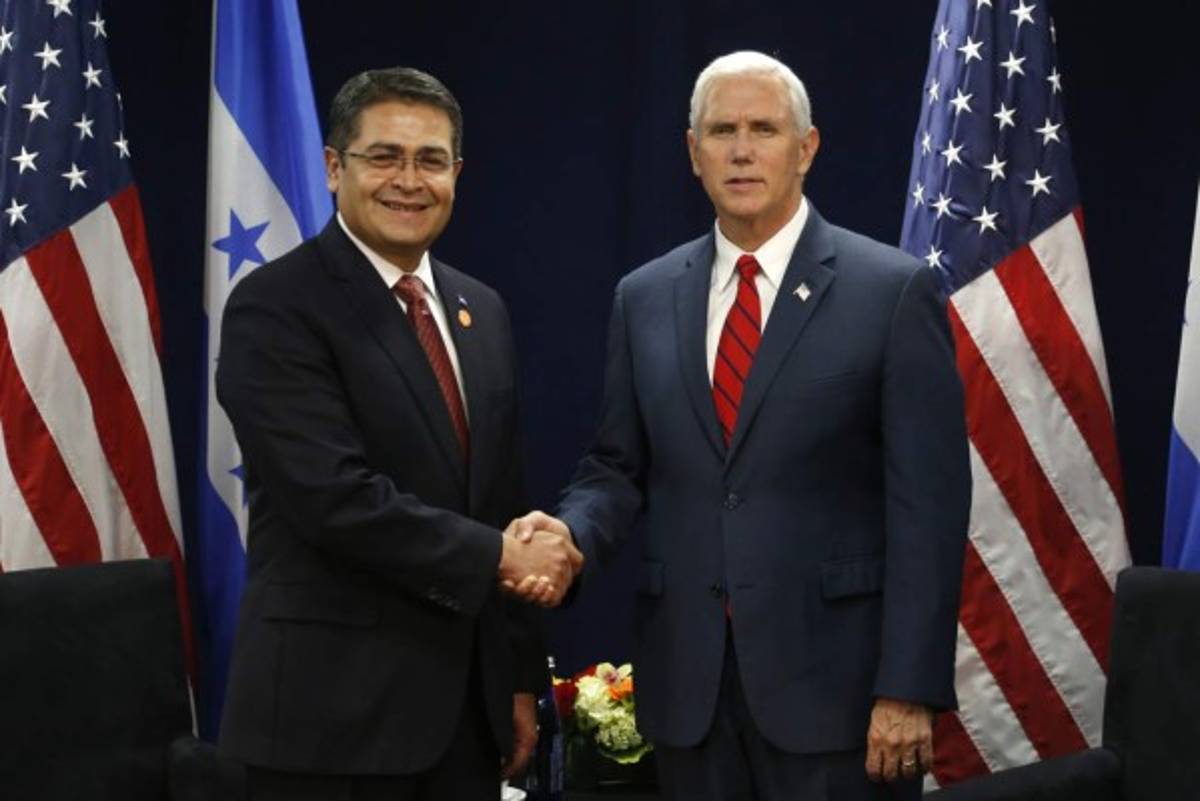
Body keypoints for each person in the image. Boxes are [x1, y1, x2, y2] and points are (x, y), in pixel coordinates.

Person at [513, 51, 970, 799]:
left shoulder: (891, 291)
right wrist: (570, 538)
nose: (742, 148)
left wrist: (908, 687)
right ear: (694, 154)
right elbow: (615, 466)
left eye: (764, 128)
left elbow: (930, 505)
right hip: (688, 689)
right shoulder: (644, 295)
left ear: (807, 148)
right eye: (722, 130)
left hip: (842, 695)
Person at [216, 67, 581, 801]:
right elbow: (333, 498)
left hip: (462, 726)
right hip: (329, 728)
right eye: (384, 156)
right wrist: (503, 557)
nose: (408, 180)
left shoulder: (483, 310)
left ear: (457, 173)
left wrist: (514, 679)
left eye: (431, 160)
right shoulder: (277, 305)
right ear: (332, 168)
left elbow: (498, 496)